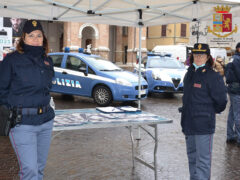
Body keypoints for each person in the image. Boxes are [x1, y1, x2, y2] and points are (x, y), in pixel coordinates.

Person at [0, 20, 55, 180]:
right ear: (23, 38)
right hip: (22, 123)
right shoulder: (12, 60)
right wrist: (12, 108)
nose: (36, 39)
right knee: (29, 170)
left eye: (39, 35)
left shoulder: (47, 61)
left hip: (45, 121)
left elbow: (47, 89)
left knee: (39, 169)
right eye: (31, 35)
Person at [180, 43, 227, 180]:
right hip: (188, 123)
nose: (198, 57)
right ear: (192, 56)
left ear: (207, 57)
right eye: (196, 54)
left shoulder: (213, 76)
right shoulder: (189, 74)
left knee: (203, 162)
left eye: (202, 55)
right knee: (192, 158)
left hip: (203, 125)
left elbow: (221, 102)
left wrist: (208, 112)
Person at [225, 42, 240, 146]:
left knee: (232, 113)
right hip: (237, 88)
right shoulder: (238, 59)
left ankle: (230, 136)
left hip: (231, 88)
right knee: (238, 114)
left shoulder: (232, 59)